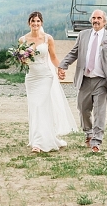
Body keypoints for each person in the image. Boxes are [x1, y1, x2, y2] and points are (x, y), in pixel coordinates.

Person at [57, 9, 107, 153]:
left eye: (99, 18)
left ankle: (96, 141)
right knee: (83, 109)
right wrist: (63, 65)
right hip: (85, 79)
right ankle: (88, 133)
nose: (96, 20)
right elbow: (74, 52)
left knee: (100, 112)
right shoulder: (83, 35)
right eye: (94, 18)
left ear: (104, 21)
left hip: (101, 81)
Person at [21, 12, 78, 153]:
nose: (35, 23)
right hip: (31, 77)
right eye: (33, 21)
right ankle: (37, 138)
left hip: (45, 76)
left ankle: (39, 143)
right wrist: (22, 58)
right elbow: (21, 59)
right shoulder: (23, 40)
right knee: (34, 107)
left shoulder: (48, 39)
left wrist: (60, 69)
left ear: (41, 23)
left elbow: (53, 57)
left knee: (41, 105)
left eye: (38, 21)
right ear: (29, 23)